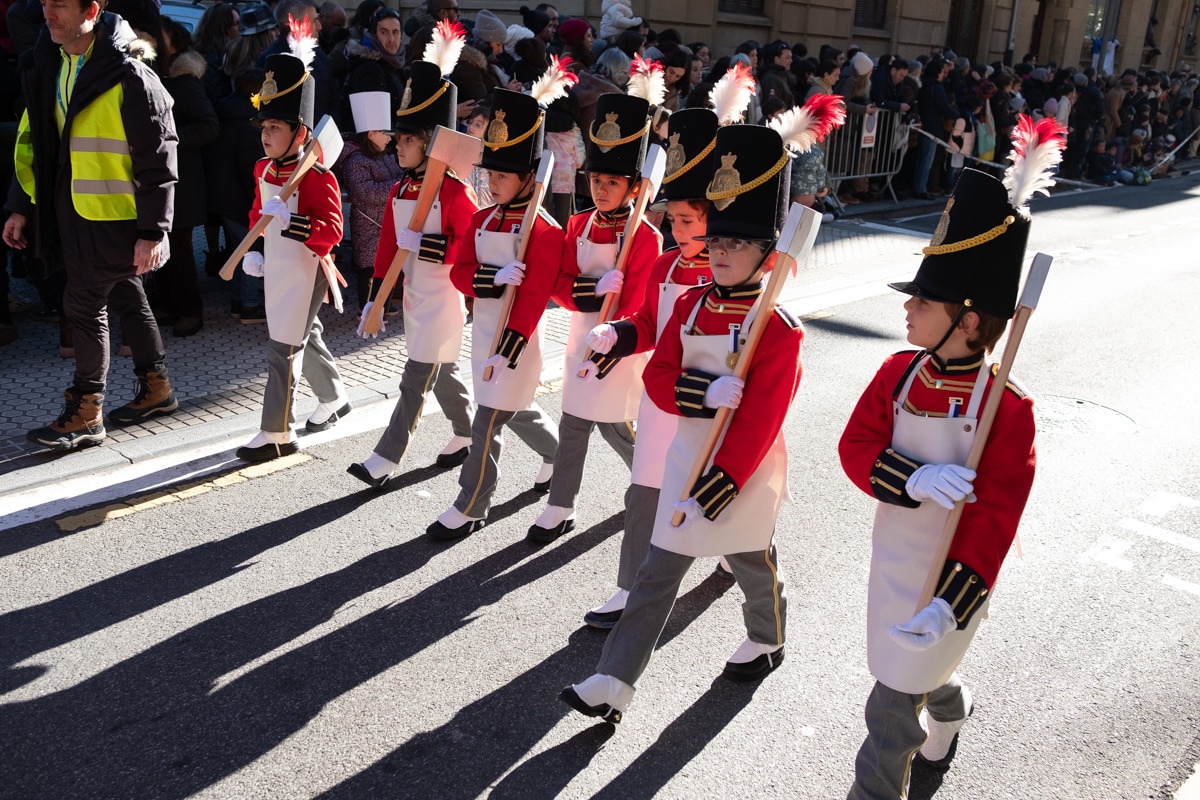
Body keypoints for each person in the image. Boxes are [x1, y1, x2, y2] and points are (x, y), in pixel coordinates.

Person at [560, 121, 807, 724]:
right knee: (658, 569)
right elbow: (658, 376)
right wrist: (702, 392)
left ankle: (768, 634)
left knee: (750, 558)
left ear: (768, 254)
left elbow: (763, 419)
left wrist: (720, 482)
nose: (718, 252)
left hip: (741, 471)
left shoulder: (778, 328)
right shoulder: (693, 303)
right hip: (685, 453)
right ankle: (613, 683)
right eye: (715, 240)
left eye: (736, 244)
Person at [839, 152, 1049, 797]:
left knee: (891, 704)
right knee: (909, 673)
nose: (908, 308)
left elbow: (997, 518)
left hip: (951, 576)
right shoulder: (897, 373)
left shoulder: (1006, 409)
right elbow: (855, 446)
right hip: (894, 557)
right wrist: (914, 478)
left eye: (924, 300)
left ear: (967, 320)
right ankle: (952, 707)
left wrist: (949, 605)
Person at [6, 0, 180, 451]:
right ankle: (156, 388)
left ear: (93, 10)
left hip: (114, 218)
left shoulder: (130, 75)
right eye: (45, 3)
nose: (48, 13)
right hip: (73, 213)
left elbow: (159, 158)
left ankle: (87, 411)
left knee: (82, 305)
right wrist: (20, 206)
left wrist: (153, 231)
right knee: (125, 294)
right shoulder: (50, 64)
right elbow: (35, 142)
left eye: (60, 4)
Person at [578, 104, 723, 626]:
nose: (675, 229)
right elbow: (647, 320)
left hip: (713, 406)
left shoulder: (732, 275)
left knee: (719, 497)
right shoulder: (665, 263)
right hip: (662, 398)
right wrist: (616, 333)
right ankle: (629, 586)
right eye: (673, 219)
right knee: (645, 490)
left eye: (688, 220)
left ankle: (738, 551)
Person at [430, 87, 565, 541]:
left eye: (503, 175)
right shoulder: (481, 220)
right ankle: (559, 456)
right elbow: (459, 273)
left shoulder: (545, 231)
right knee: (515, 411)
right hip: (483, 332)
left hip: (517, 344)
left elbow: (533, 300)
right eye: (490, 173)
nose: (492, 182)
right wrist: (492, 277)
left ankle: (471, 504)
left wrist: (507, 351)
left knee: (487, 421)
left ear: (528, 178)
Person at [346, 28, 480, 488]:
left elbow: (470, 246)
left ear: (428, 143)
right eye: (397, 139)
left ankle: (384, 460)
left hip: (444, 298)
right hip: (415, 297)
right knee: (442, 373)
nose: (396, 146)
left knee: (416, 376)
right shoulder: (402, 188)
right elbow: (388, 247)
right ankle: (469, 431)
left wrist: (429, 245)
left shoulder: (454, 192)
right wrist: (375, 298)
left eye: (405, 140)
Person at [526, 91, 662, 542]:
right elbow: (559, 283)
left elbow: (638, 304)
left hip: (618, 344)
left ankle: (653, 486)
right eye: (596, 180)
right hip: (579, 337)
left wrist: (605, 347)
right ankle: (561, 505)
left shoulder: (645, 237)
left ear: (634, 188)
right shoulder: (577, 224)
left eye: (612, 183)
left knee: (613, 426)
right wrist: (592, 290)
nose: (601, 190)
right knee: (574, 421)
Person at [235, 23, 348, 462]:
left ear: (300, 134)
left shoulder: (318, 176)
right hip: (278, 265)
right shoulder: (263, 169)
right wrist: (255, 248)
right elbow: (256, 212)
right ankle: (334, 396)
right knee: (303, 332)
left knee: (283, 346)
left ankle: (277, 431)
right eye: (263, 125)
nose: (266, 134)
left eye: (276, 126)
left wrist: (294, 222)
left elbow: (333, 231)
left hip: (308, 267)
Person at [152, 15, 219, 338]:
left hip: (183, 181)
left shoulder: (185, 81)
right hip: (159, 179)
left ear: (175, 43)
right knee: (158, 244)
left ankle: (190, 311)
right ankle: (166, 306)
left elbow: (209, 126)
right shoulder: (155, 77)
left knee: (179, 249)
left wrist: (169, 139)